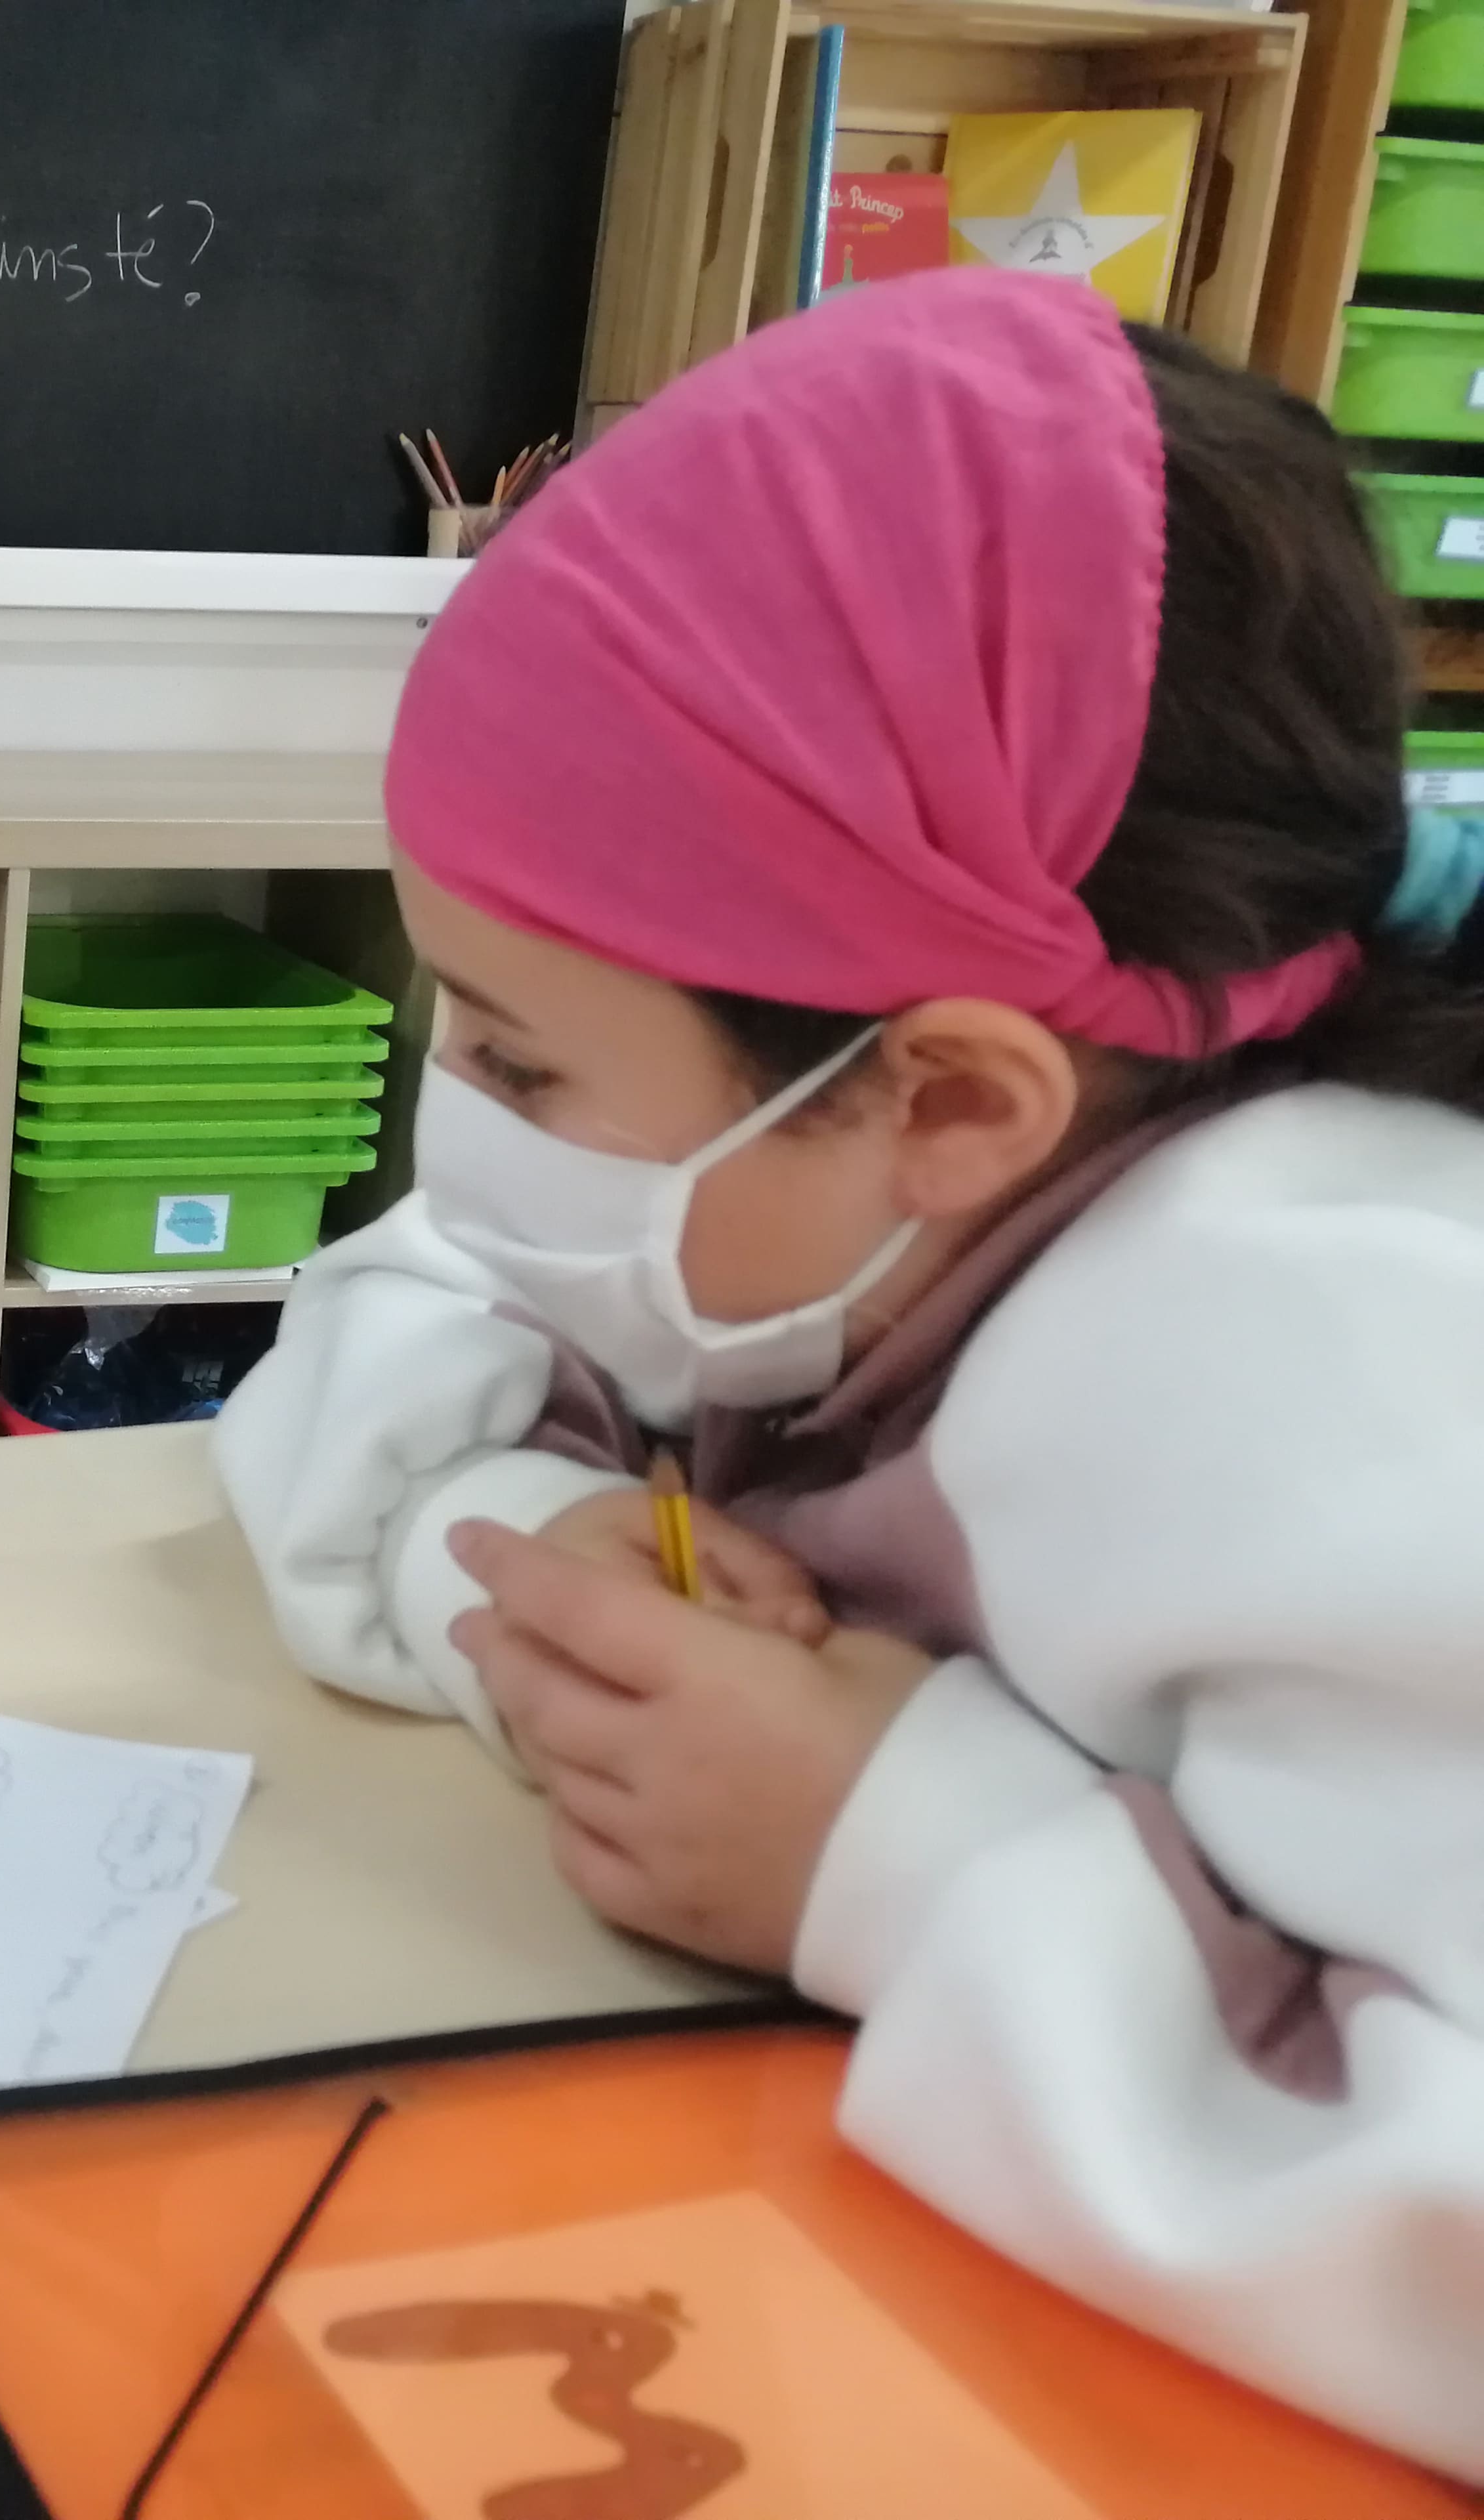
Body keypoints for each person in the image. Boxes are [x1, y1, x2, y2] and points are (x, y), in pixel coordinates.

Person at [214, 270, 1484, 2479]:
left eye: (519, 1060)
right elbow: (405, 1301)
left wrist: (890, 1854)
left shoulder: (1336, 1379)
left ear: (952, 1099)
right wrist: (520, 1550)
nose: (461, 1125)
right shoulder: (845, 1194)